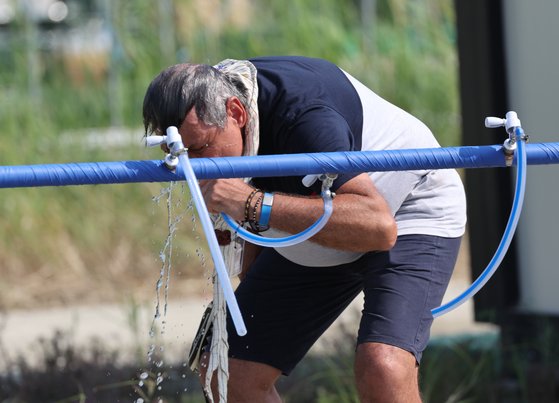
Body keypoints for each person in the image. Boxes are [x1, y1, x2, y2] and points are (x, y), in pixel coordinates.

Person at [143, 56, 467, 403]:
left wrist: (251, 202)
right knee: (224, 374)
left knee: (383, 367)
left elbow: (378, 226)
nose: (193, 169)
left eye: (199, 149)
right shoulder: (215, 120)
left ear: (236, 113)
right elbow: (250, 249)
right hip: (318, 215)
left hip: (407, 208)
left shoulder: (305, 118)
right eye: (179, 155)